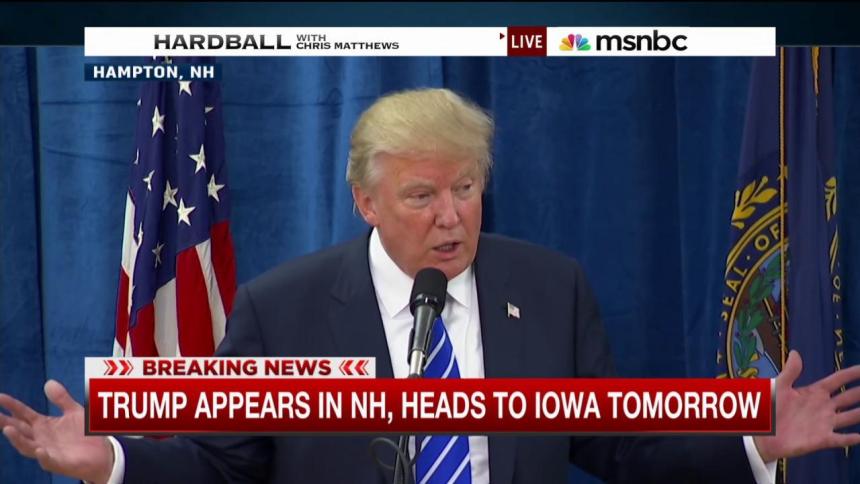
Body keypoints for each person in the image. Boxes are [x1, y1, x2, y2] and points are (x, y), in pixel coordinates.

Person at [3, 88, 860, 484]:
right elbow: (221, 465)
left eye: (466, 188)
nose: (451, 217)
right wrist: (113, 460)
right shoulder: (284, 308)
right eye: (421, 196)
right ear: (366, 201)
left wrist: (753, 444)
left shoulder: (549, 287)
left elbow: (619, 447)